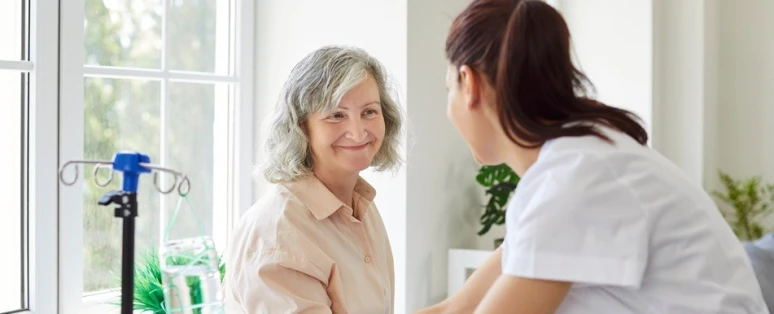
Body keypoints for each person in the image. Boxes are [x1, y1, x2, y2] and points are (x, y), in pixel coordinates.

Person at [419, 0, 769, 313]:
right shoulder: (576, 160)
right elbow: (456, 309)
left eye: (448, 88)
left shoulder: (573, 177)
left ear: (468, 84)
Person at [223, 46, 403, 313]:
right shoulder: (278, 234)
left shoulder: (362, 205)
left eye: (369, 112)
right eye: (336, 115)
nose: (357, 131)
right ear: (301, 127)